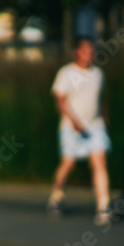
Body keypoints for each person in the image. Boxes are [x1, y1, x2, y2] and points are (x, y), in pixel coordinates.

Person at [46, 36, 112, 226]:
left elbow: (101, 99)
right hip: (71, 127)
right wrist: (73, 121)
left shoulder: (98, 74)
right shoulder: (66, 73)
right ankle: (57, 195)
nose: (88, 55)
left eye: (91, 51)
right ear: (77, 52)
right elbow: (60, 100)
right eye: (85, 51)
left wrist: (104, 121)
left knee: (99, 161)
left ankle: (103, 206)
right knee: (68, 163)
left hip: (95, 126)